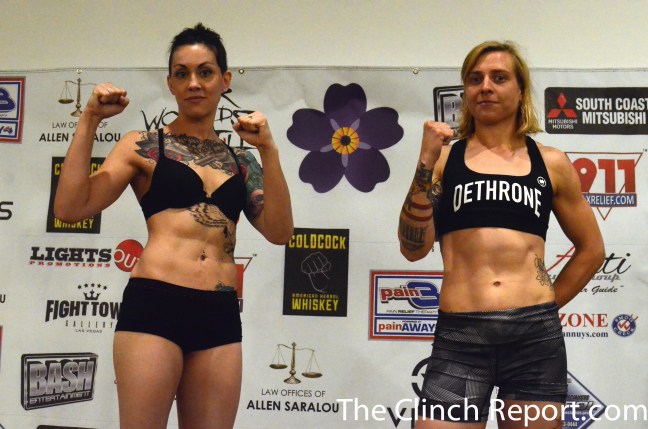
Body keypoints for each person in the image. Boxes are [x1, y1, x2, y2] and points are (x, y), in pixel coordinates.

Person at [54, 23, 293, 429]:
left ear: (225, 80)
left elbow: (280, 231)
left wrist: (268, 150)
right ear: (170, 84)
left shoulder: (242, 161)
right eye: (182, 73)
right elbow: (70, 207)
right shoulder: (143, 145)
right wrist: (90, 119)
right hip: (155, 305)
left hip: (218, 312)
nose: (194, 83)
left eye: (205, 72)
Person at [398, 40, 605, 429]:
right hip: (461, 337)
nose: (486, 87)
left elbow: (592, 250)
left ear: (520, 90)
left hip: (534, 340)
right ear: (466, 91)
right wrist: (425, 159)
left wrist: (544, 309)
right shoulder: (444, 161)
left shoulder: (551, 162)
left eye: (499, 78)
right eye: (475, 79)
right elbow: (413, 247)